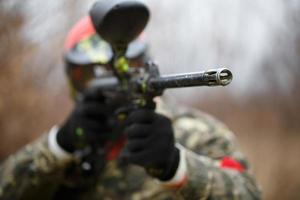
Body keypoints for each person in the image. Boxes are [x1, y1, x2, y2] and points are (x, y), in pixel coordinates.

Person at [0, 15, 261, 200]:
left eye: (121, 70)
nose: (108, 85)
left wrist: (176, 166)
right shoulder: (71, 145)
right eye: (88, 75)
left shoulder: (196, 132)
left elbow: (249, 194)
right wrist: (60, 145)